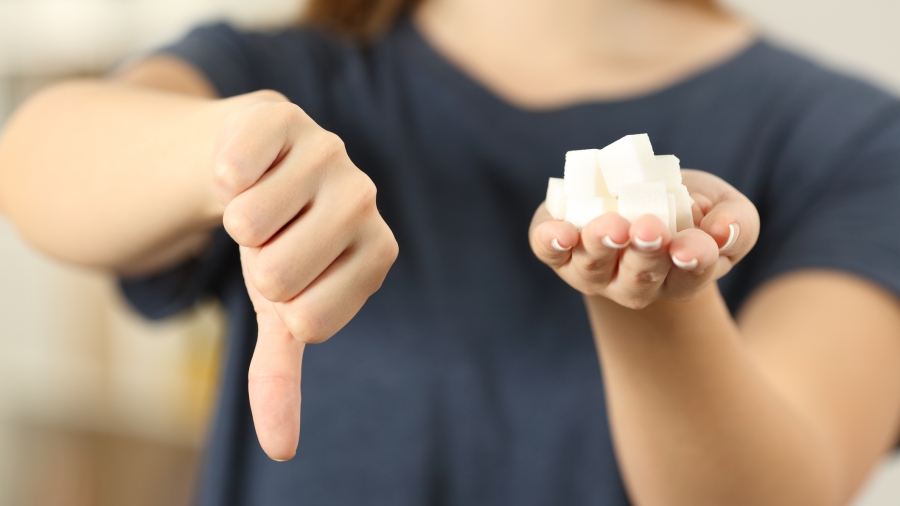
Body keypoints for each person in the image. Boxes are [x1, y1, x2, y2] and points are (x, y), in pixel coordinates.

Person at [1, 0, 900, 504]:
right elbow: (37, 157)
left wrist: (659, 301)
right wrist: (227, 154)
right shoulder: (288, 70)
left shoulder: (852, 140)